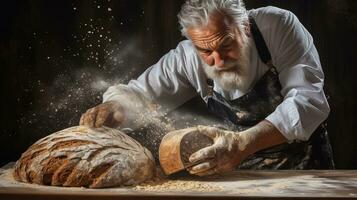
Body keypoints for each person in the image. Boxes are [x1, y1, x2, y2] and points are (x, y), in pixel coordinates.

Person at [80, 0, 334, 175]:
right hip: (243, 172)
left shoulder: (276, 26)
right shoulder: (186, 57)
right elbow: (137, 95)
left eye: (226, 45)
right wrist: (116, 107)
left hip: (306, 168)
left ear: (244, 27)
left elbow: (308, 99)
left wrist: (243, 143)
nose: (218, 60)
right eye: (206, 51)